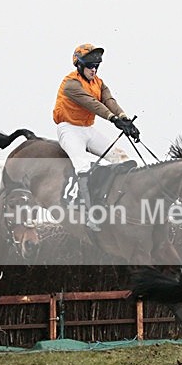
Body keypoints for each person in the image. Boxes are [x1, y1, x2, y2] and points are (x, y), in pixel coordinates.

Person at [52, 43, 139, 231]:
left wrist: (125, 119)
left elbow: (108, 100)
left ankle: (116, 202)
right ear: (79, 66)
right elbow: (92, 103)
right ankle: (89, 214)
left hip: (87, 129)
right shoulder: (71, 84)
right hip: (69, 129)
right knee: (82, 166)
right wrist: (113, 119)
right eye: (90, 66)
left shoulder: (99, 83)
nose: (94, 70)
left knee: (122, 158)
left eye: (96, 67)